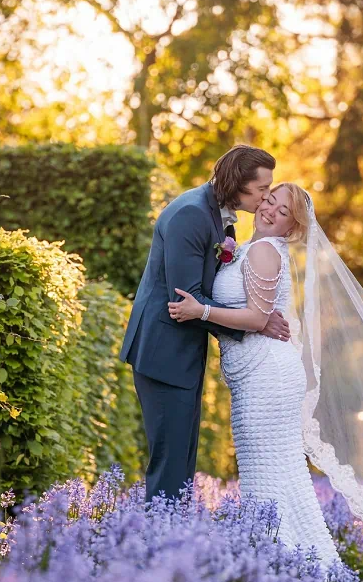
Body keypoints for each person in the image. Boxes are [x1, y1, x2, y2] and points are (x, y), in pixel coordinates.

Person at [170, 182, 363, 582]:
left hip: (268, 378)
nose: (270, 209)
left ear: (292, 227)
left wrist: (202, 311)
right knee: (279, 478)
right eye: (270, 200)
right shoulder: (247, 248)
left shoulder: (265, 251)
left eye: (282, 210)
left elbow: (256, 317)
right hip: (255, 375)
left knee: (267, 479)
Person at [120, 145, 290, 504]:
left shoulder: (217, 214)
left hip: (182, 354)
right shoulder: (192, 214)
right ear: (238, 183)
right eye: (262, 189)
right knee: (170, 464)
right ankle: (161, 537)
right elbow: (186, 298)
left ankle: (175, 534)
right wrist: (256, 323)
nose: (265, 198)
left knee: (181, 463)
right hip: (163, 353)